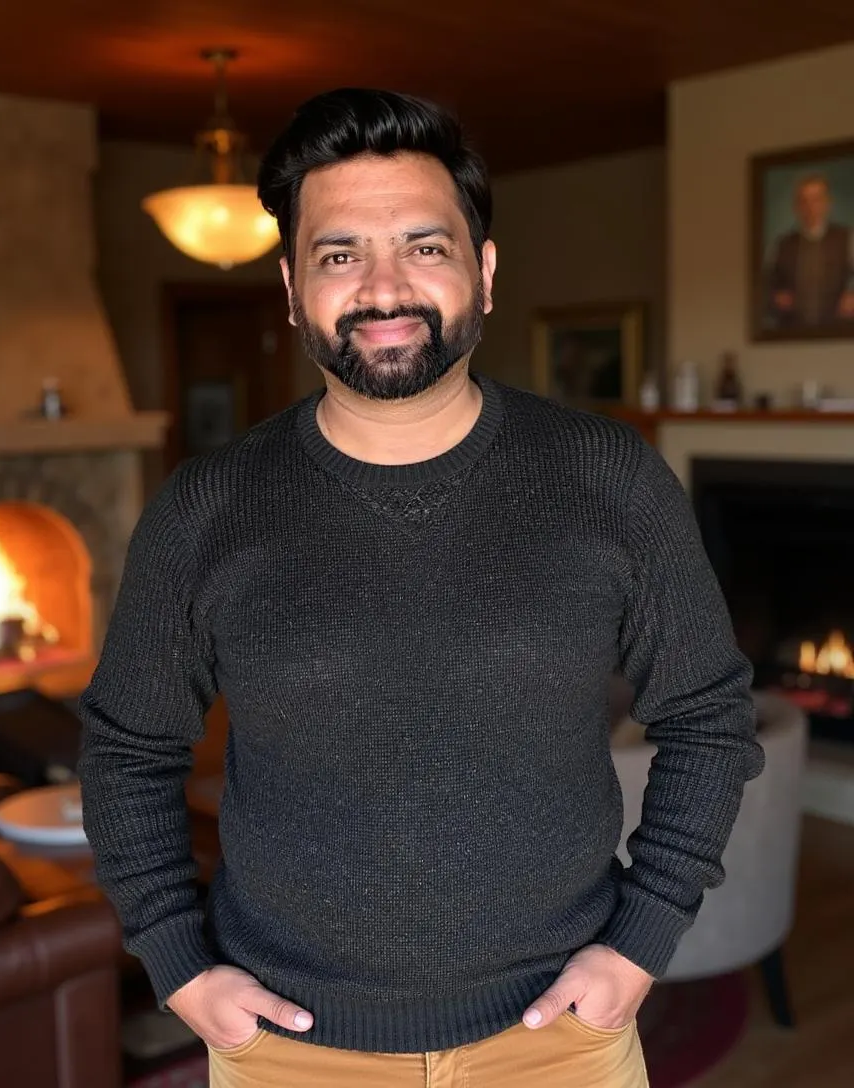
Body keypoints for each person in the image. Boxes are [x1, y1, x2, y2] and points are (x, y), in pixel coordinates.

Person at [78, 88, 764, 1088]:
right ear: (291, 287)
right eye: (339, 254)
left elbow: (707, 715)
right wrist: (176, 962)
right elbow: (126, 747)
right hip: (288, 1050)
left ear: (483, 271)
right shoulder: (207, 508)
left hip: (558, 1039)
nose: (383, 286)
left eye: (423, 246)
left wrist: (642, 936)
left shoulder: (607, 477)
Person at [766, 173, 854, 327]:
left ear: (827, 203)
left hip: (837, 329)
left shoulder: (846, 238)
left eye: (816, 200)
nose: (810, 207)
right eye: (804, 201)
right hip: (793, 329)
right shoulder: (783, 244)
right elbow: (767, 285)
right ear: (796, 207)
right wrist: (776, 297)